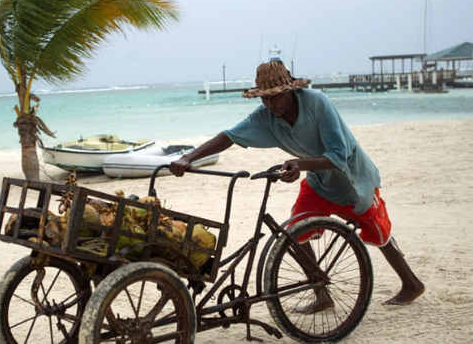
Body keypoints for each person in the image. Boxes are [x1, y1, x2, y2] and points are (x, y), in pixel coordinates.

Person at [169, 59, 424, 312]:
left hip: (353, 179)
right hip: (319, 182)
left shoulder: (316, 103)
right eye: (265, 99)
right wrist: (188, 157)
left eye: (276, 97)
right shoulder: (265, 116)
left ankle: (411, 284)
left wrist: (299, 165)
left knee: (379, 233)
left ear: (290, 90)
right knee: (295, 233)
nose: (271, 105)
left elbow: (338, 155)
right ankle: (321, 293)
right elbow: (229, 136)